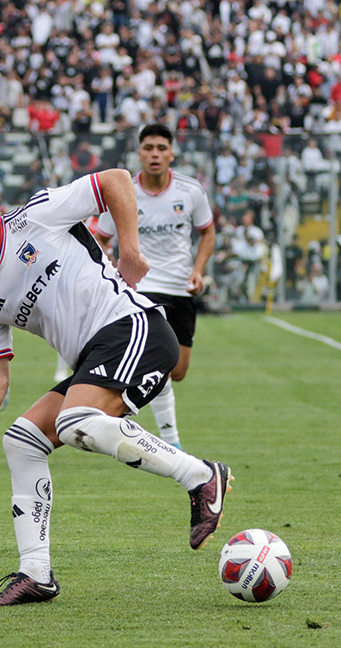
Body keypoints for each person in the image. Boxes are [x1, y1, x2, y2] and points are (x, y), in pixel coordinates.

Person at [0, 170, 232, 607]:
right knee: (21, 441)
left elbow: (117, 181)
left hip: (134, 327)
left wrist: (130, 250)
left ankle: (200, 475)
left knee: (75, 420)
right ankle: (36, 574)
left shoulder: (37, 216)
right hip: (95, 358)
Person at [93, 124, 215, 450]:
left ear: (172, 153)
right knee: (157, 360)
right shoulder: (124, 192)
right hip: (141, 289)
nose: (155, 154)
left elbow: (207, 231)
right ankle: (169, 440)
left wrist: (199, 271)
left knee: (177, 371)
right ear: (139, 153)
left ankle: (121, 413)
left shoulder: (191, 191)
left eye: (162, 147)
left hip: (181, 289)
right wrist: (110, 269)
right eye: (148, 148)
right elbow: (101, 237)